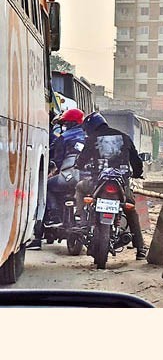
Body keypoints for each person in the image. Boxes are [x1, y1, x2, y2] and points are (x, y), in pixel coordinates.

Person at [75, 112, 147, 260]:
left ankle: (82, 220)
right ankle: (140, 248)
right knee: (131, 210)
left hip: (97, 183)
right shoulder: (124, 137)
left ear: (90, 127)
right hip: (121, 183)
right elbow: (137, 162)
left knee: (80, 188)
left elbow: (80, 162)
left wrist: (81, 166)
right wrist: (137, 173)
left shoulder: (91, 140)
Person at [27, 108, 86, 250]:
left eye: (65, 123)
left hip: (69, 177)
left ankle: (53, 216)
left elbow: (57, 160)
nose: (64, 125)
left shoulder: (64, 137)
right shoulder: (90, 135)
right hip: (89, 179)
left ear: (70, 123)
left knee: (46, 186)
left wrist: (53, 171)